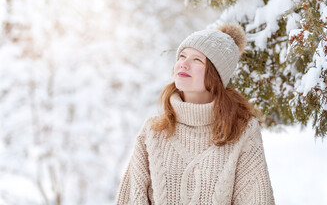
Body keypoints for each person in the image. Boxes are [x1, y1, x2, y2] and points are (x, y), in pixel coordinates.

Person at [116, 24, 275, 204]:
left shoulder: (242, 131)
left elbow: (257, 199)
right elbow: (131, 198)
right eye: (182, 56)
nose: (183, 63)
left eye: (197, 60)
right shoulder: (153, 132)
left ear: (216, 74)